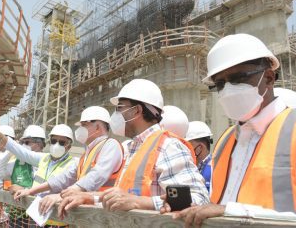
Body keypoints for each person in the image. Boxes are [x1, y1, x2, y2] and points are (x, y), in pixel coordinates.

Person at [168, 34, 296, 227]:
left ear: (269, 77)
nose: (228, 90)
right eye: (221, 84)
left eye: (238, 78)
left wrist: (233, 212)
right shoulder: (226, 141)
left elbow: (225, 209)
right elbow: (218, 202)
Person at [57, 79, 208, 218]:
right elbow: (124, 197)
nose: (115, 114)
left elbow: (197, 199)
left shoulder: (168, 146)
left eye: (119, 108)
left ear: (137, 110)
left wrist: (139, 202)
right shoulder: (133, 148)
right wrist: (91, 198)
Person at [14, 106, 124, 217]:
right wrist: (31, 191)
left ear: (97, 127)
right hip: (89, 214)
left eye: (84, 125)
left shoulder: (110, 145)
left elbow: (96, 176)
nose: (80, 129)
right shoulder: (86, 154)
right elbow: (63, 178)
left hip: (105, 213)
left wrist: (61, 196)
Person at [0, 124, 77, 227]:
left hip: (58, 222)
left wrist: (28, 190)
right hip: (36, 218)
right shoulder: (44, 158)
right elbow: (21, 152)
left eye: (62, 142)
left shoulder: (73, 164)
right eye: (54, 141)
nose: (57, 145)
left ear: (69, 145)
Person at [0, 124, 46, 227]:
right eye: (22, 143)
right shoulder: (17, 162)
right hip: (16, 215)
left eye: (27, 142)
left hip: (36, 216)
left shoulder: (46, 161)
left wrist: (25, 189)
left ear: (39, 144)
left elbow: (48, 190)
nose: (24, 145)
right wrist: (12, 149)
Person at [185, 121, 213, 192]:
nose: (184, 150)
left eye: (187, 147)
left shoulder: (213, 169)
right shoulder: (194, 167)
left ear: (200, 147)